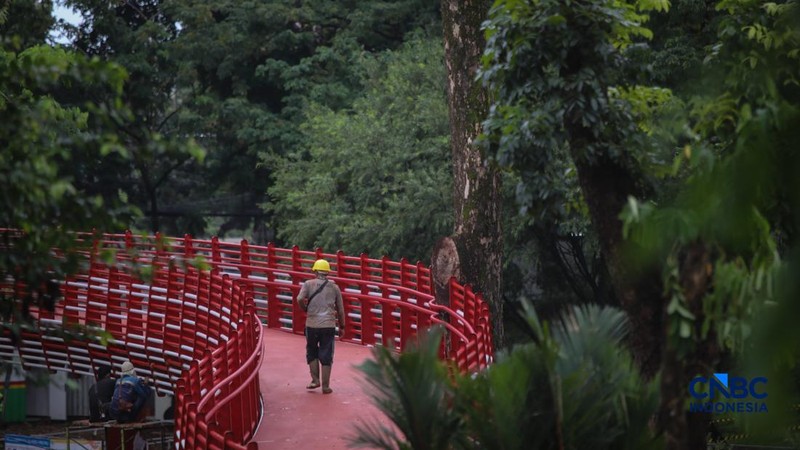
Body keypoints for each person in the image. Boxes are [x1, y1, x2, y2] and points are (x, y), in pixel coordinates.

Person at [296, 259, 345, 394]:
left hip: (311, 325)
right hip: (328, 325)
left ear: (315, 271)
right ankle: (325, 386)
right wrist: (342, 326)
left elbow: (299, 298)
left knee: (312, 351)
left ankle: (315, 380)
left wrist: (305, 308)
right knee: (326, 353)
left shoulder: (308, 284)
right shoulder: (334, 287)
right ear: (328, 272)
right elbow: (340, 310)